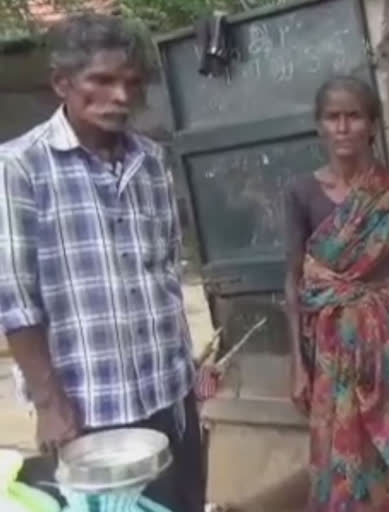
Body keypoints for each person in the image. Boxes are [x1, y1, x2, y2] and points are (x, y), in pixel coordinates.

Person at [0, 14, 204, 512]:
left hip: (170, 395)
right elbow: (15, 299)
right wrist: (50, 406)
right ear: (62, 84)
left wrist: (189, 367)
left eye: (131, 83)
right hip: (89, 411)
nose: (120, 96)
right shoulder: (19, 167)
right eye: (102, 80)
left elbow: (163, 273)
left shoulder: (153, 162)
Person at [284, 76, 389, 512]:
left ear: (371, 125)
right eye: (333, 117)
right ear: (320, 126)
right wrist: (296, 364)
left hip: (385, 345)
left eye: (354, 116)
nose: (343, 127)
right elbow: (292, 278)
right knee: (335, 451)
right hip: (327, 349)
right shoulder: (301, 192)